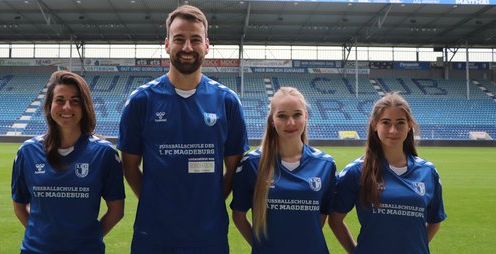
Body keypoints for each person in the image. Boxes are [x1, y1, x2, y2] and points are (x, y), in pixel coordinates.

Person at [118, 5, 249, 253]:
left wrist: (208, 203)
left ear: (207, 45)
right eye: (179, 39)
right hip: (153, 234)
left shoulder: (227, 102)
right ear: (167, 44)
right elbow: (129, 166)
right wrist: (156, 202)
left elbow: (234, 169)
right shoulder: (141, 101)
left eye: (195, 39)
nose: (187, 47)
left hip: (208, 235)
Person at [11, 70, 125, 254]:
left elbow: (116, 210)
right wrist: (41, 237)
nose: (67, 107)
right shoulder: (27, 152)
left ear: (85, 106)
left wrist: (88, 240)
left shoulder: (104, 153)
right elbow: (19, 205)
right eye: (60, 100)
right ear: (49, 105)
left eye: (75, 101)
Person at [328, 92, 446, 254]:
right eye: (386, 122)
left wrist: (414, 247)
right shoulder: (356, 171)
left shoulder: (428, 172)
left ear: (409, 126)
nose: (393, 130)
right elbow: (335, 220)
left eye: (400, 123)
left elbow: (435, 221)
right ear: (375, 125)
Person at [231, 87, 337, 254]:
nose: (291, 123)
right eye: (282, 116)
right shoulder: (251, 164)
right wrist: (262, 247)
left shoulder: (325, 165)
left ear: (306, 117)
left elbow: (321, 218)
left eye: (297, 115)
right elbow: (238, 215)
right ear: (272, 120)